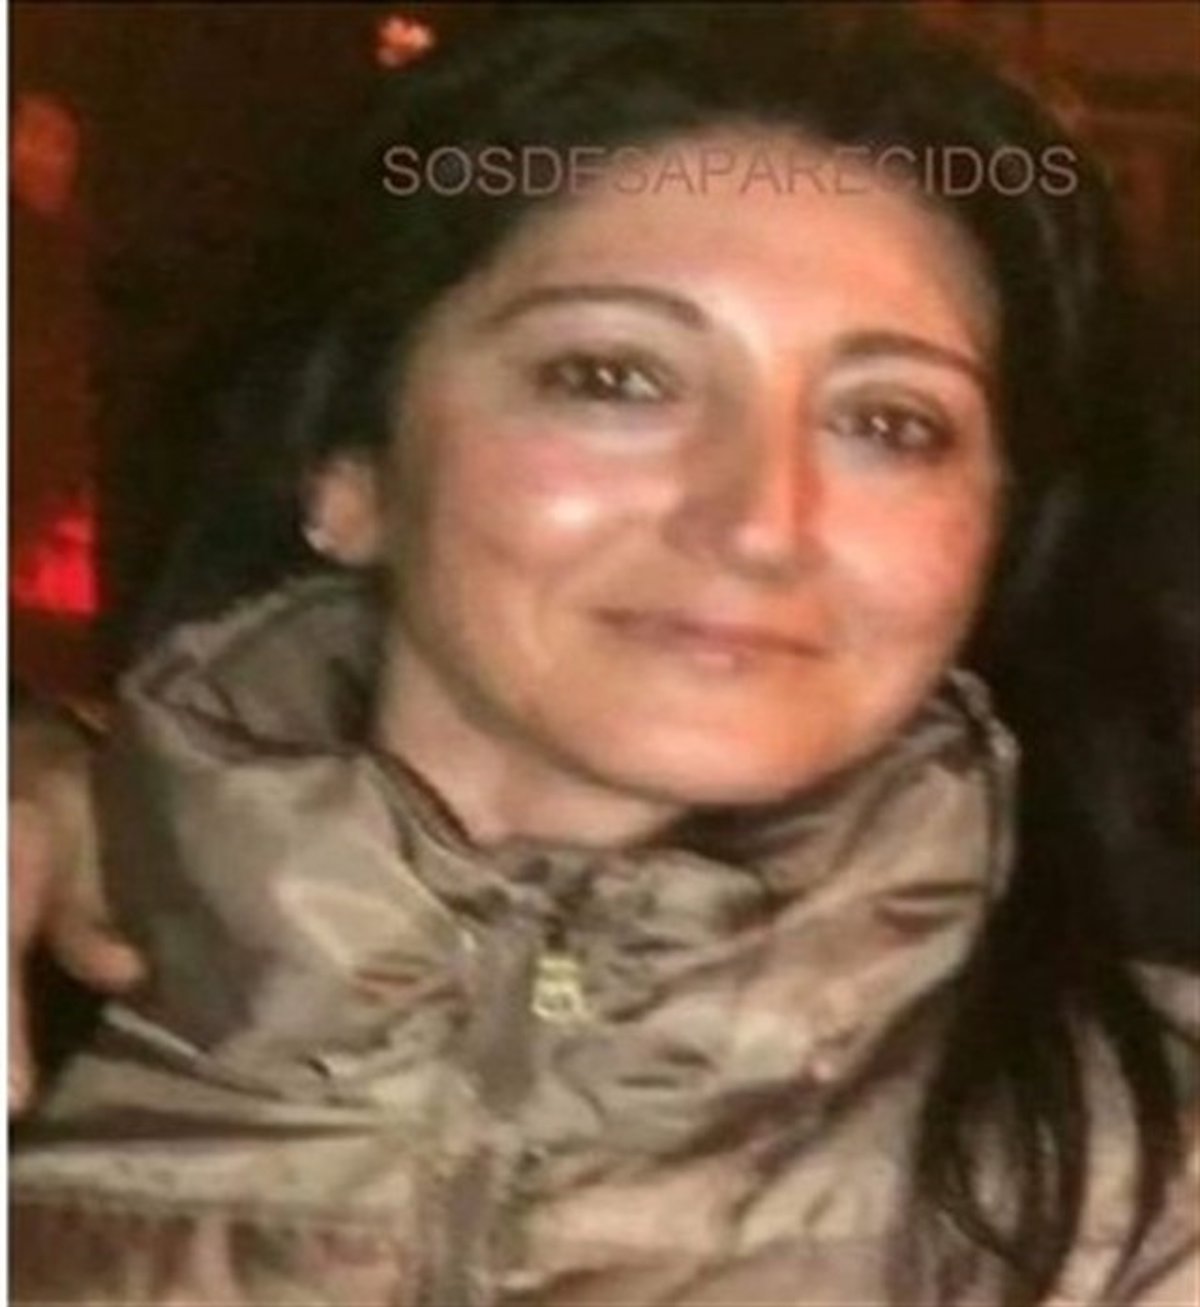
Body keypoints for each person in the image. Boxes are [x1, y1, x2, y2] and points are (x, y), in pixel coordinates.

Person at [9, 6, 1199, 1305]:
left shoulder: (1143, 1197)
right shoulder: (60, 1033)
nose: (760, 520)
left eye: (890, 423)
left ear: (995, 534)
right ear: (350, 468)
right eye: (614, 377)